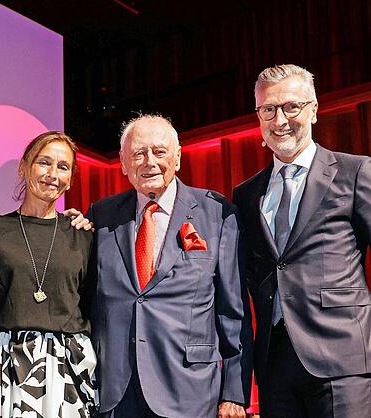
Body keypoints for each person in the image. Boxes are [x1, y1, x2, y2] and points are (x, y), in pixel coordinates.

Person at [87, 115, 251, 418]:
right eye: (138, 153)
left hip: (190, 391)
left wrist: (234, 392)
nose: (149, 161)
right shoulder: (101, 214)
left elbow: (233, 312)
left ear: (177, 158)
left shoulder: (217, 212)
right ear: (123, 163)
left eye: (159, 152)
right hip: (115, 392)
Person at [232, 64, 371, 417]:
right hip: (274, 364)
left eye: (291, 106)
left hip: (343, 360)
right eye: (268, 109)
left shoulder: (355, 172)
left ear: (313, 109)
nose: (279, 120)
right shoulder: (246, 195)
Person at [0, 131, 98, 418]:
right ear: (24, 167)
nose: (52, 174)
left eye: (63, 167)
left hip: (69, 367)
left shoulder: (82, 236)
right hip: (7, 365)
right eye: (44, 162)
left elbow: (92, 303)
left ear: (70, 177)